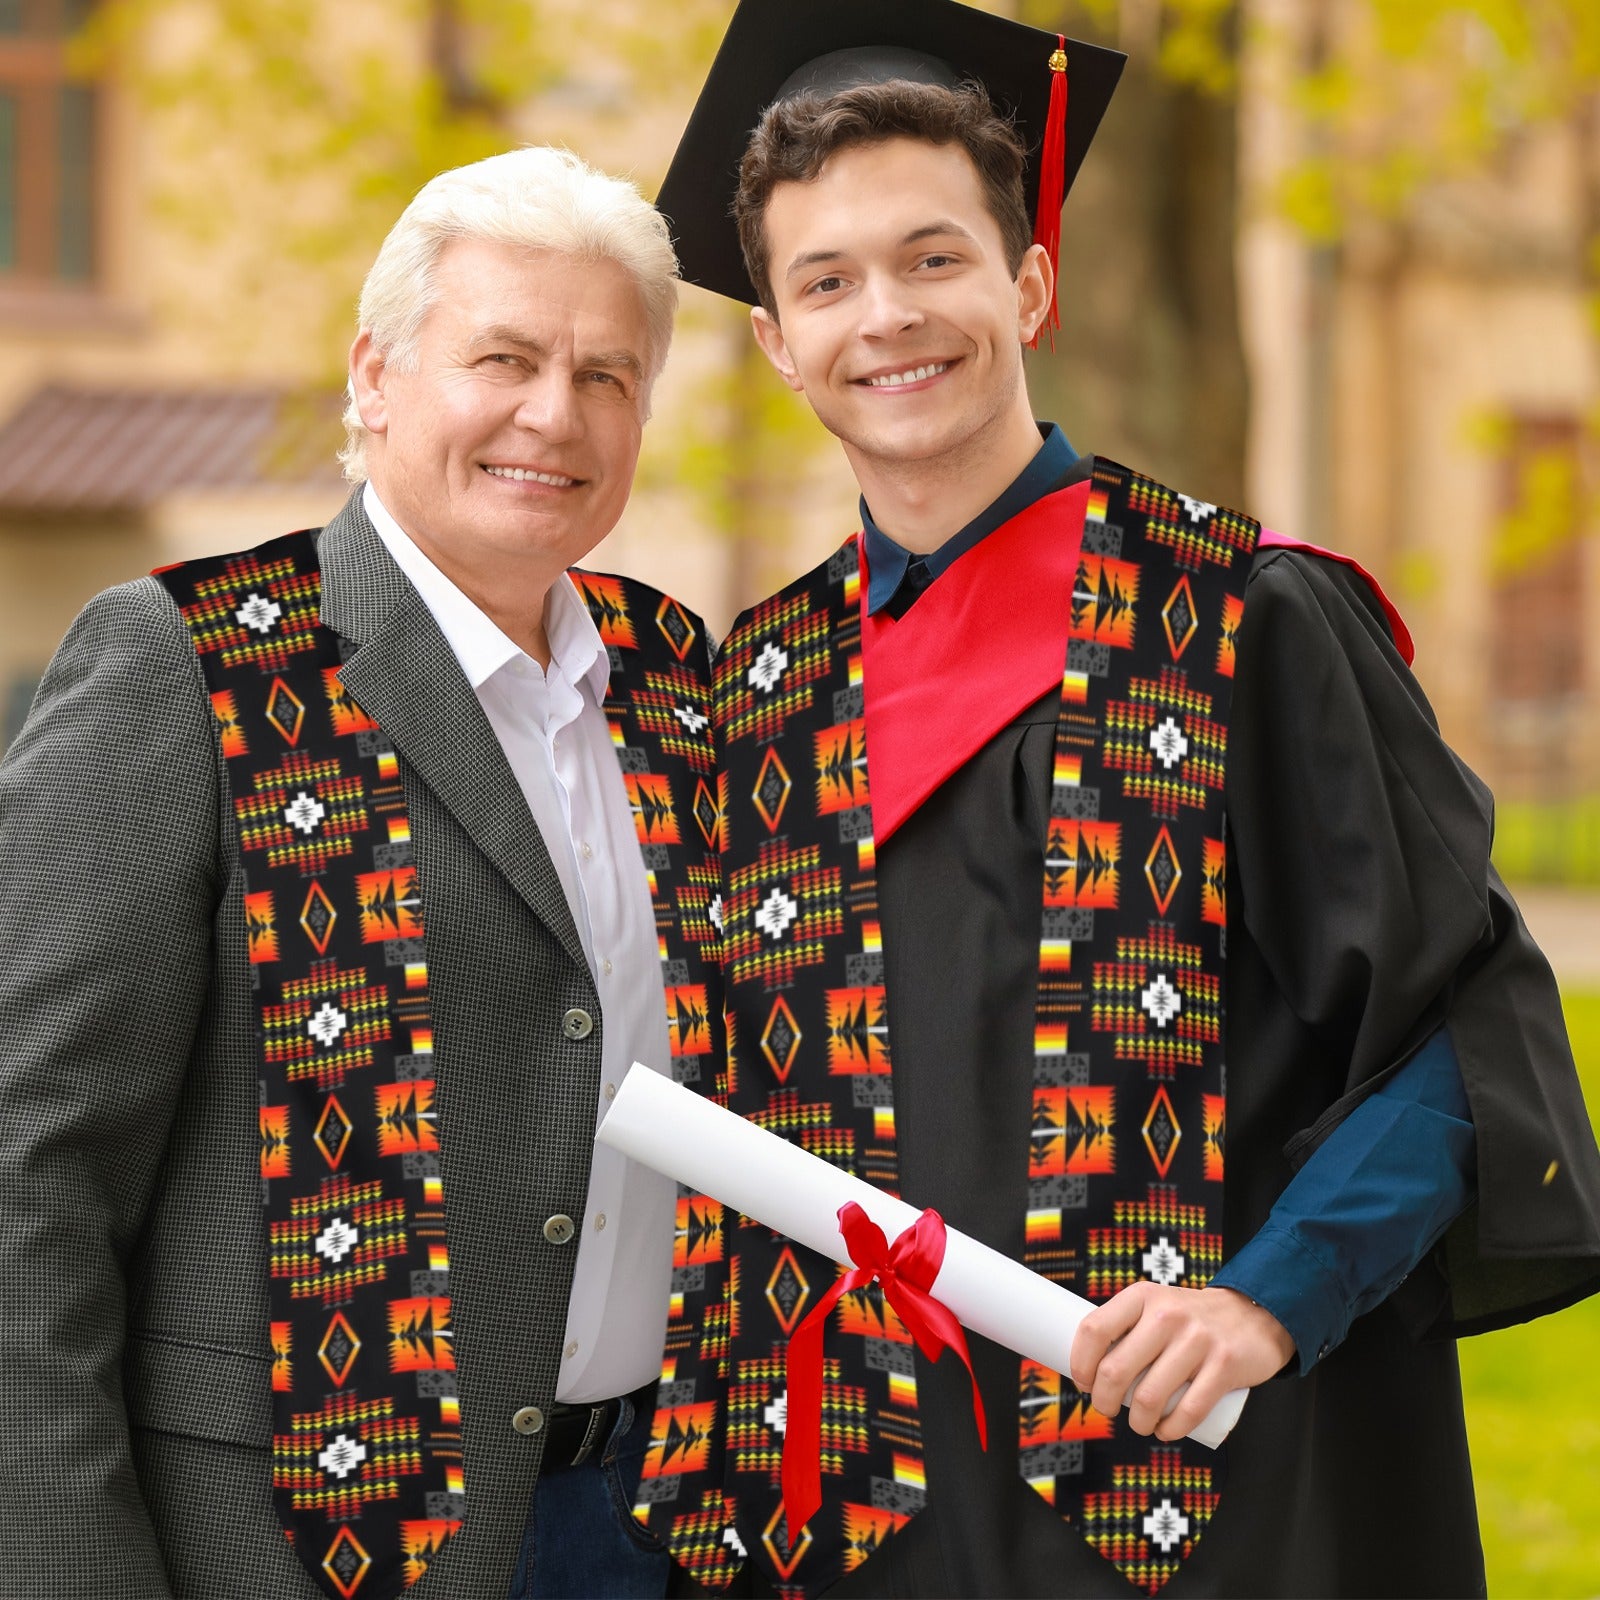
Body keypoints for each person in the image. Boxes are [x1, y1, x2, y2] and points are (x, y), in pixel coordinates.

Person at [630, 3, 1600, 1596]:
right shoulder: (761, 693)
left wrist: (1268, 1299)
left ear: (1029, 282)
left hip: (1207, 1496)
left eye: (935, 259)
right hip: (870, 1520)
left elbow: (1462, 1032)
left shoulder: (1246, 619)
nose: (888, 316)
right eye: (828, 281)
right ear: (777, 342)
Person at [0, 146, 722, 1599]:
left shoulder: (676, 680)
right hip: (297, 1547)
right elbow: (29, 1171)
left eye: (605, 375)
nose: (553, 414)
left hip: (653, 1529)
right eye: (503, 357)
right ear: (376, 376)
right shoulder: (190, 664)